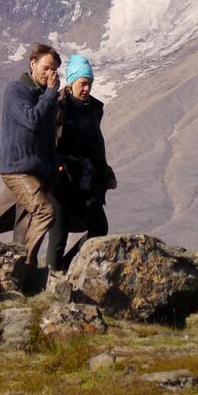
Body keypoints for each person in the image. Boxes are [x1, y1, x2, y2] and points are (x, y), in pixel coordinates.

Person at [0, 42, 66, 278]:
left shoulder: (43, 96)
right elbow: (32, 121)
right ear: (33, 64)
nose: (50, 74)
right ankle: (26, 266)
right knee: (45, 213)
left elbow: (49, 136)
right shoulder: (16, 91)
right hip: (17, 168)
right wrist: (50, 94)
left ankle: (18, 274)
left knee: (25, 223)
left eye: (54, 70)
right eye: (46, 68)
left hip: (38, 171)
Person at [54, 54, 115, 270]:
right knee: (58, 231)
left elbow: (96, 145)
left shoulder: (94, 109)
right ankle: (52, 272)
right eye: (83, 83)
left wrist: (106, 173)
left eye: (90, 83)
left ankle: (69, 265)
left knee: (99, 227)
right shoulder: (58, 106)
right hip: (62, 180)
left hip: (88, 181)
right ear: (72, 82)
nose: (87, 88)